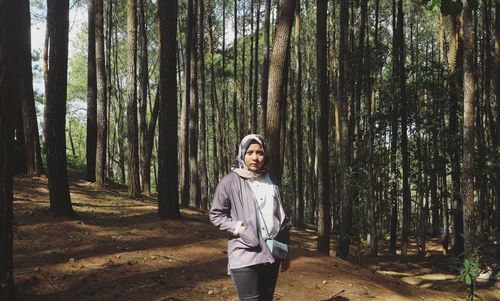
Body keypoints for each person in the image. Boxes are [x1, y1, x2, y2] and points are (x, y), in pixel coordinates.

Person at [210, 134, 290, 301]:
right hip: (245, 252)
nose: (255, 157)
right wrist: (240, 229)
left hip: (272, 253)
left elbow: (282, 218)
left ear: (265, 155)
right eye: (250, 152)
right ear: (242, 154)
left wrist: (285, 251)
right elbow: (216, 214)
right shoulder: (230, 181)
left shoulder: (273, 181)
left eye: (260, 152)